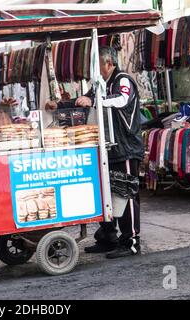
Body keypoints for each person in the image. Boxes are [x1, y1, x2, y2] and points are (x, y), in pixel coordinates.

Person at [45, 46, 144, 259]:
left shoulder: (123, 80)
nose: (94, 70)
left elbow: (121, 100)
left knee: (126, 194)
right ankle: (108, 237)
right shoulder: (100, 84)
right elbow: (83, 101)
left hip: (125, 147)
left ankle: (131, 241)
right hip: (107, 147)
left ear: (109, 63)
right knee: (107, 194)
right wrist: (59, 105)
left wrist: (95, 100)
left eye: (98, 65)